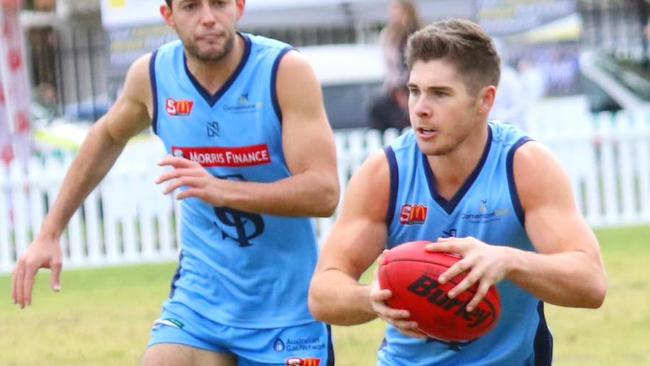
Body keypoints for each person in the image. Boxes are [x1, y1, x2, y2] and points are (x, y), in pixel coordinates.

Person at [12, 1, 339, 365]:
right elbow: (107, 136)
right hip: (200, 302)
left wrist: (222, 190)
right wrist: (50, 232)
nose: (208, 18)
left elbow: (324, 192)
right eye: (190, 6)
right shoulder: (153, 76)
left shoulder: (283, 71)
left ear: (239, 7)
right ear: (168, 17)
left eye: (219, 3)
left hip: (287, 310)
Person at [309, 19, 607, 365]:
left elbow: (591, 282)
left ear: (485, 100)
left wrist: (508, 261)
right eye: (414, 90)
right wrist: (372, 299)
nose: (419, 107)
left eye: (439, 93)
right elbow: (322, 293)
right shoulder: (385, 173)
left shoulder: (524, 167)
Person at [369, 0, 422, 131]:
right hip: (394, 89)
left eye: (397, 11)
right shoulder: (389, 36)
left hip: (413, 86)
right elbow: (390, 67)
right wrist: (396, 89)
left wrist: (407, 89)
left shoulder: (417, 34)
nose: (393, 15)